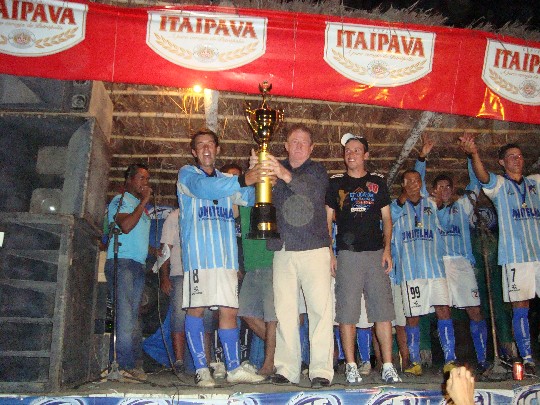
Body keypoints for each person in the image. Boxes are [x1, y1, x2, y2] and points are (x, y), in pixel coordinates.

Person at [176, 128, 267, 387]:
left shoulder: (228, 179)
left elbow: (249, 199)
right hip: (200, 259)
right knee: (196, 310)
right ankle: (202, 369)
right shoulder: (187, 175)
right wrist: (242, 179)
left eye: (210, 144)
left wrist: (258, 177)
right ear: (194, 152)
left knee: (230, 311)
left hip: (226, 259)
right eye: (200, 145)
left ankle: (234, 368)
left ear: (217, 149)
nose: (206, 149)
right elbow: (204, 188)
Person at [460, 134, 540, 375]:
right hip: (515, 257)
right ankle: (527, 358)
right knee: (520, 307)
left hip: (538, 254)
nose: (516, 160)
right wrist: (473, 154)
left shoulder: (535, 182)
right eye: (510, 157)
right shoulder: (500, 186)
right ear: (502, 163)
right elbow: (483, 177)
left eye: (519, 156)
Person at [262, 123, 334, 388]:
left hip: (314, 249)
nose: (299, 146)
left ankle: (321, 372)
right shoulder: (275, 170)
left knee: (320, 312)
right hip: (283, 250)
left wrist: (280, 173)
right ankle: (287, 369)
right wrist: (260, 174)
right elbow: (259, 200)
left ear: (312, 148)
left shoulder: (317, 171)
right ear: (285, 146)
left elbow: (309, 192)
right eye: (294, 141)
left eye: (304, 142)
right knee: (285, 313)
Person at [325, 133, 401, 384]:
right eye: (348, 150)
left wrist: (387, 249)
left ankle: (388, 365)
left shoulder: (377, 182)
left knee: (382, 311)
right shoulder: (335, 183)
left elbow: (387, 219)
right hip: (347, 255)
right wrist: (330, 253)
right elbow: (327, 221)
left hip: (375, 254)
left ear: (366, 155)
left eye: (357, 150)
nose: (351, 154)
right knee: (347, 313)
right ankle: (350, 365)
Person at [415, 139, 490, 374]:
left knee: (474, 311)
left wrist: (470, 156)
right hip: (438, 266)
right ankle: (450, 359)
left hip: (461, 263)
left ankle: (483, 359)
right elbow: (416, 186)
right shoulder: (427, 206)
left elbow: (477, 183)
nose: (445, 190)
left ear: (453, 189)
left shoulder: (463, 206)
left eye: (448, 187)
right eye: (440, 187)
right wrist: (422, 159)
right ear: (434, 190)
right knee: (442, 310)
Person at [391, 167, 457, 376]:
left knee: (444, 311)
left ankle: (450, 359)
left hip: (435, 270)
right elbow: (388, 221)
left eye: (416, 180)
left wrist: (444, 202)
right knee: (413, 317)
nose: (413, 184)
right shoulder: (396, 206)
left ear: (422, 183)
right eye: (408, 181)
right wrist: (404, 197)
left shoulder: (431, 203)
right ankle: (414, 361)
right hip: (410, 272)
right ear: (402, 184)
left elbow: (446, 223)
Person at [105, 163, 152, 381]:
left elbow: (136, 236)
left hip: (138, 264)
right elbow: (125, 227)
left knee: (133, 317)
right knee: (124, 316)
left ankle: (131, 365)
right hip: (122, 263)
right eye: (141, 178)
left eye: (147, 178)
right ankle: (122, 366)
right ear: (129, 180)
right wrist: (143, 202)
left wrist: (155, 251)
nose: (145, 183)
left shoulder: (140, 208)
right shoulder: (120, 201)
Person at [158, 208, 214, 374]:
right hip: (180, 273)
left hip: (205, 273)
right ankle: (179, 361)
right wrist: (164, 277)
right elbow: (165, 250)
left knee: (207, 317)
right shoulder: (174, 217)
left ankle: (206, 360)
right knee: (179, 316)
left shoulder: (205, 213)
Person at [237, 203, 278, 376]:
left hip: (271, 262)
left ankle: (269, 364)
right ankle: (284, 351)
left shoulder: (272, 195)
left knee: (271, 318)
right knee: (246, 313)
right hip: (251, 266)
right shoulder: (242, 198)